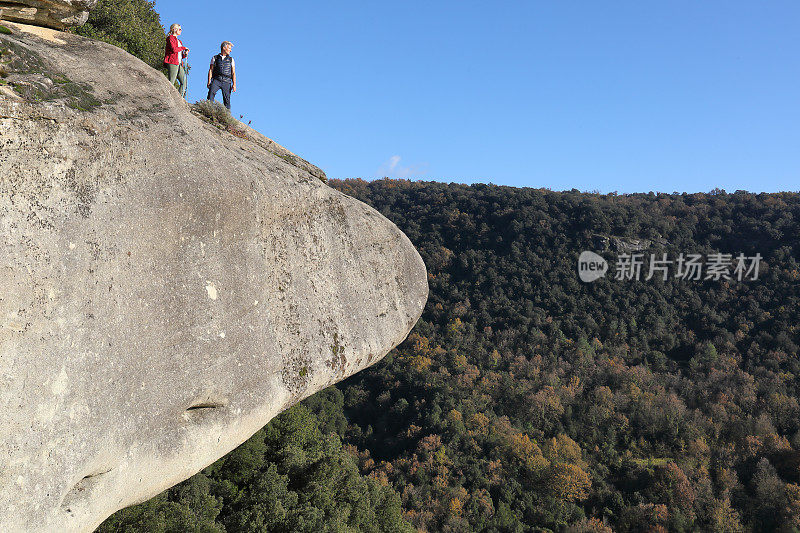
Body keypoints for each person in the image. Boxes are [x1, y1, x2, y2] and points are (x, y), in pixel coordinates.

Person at [207, 41, 236, 110]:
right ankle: (208, 110)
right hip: (216, 79)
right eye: (229, 48)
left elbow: (233, 73)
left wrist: (234, 84)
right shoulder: (215, 58)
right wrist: (209, 81)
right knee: (211, 94)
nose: (230, 50)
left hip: (227, 81)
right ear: (224, 48)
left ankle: (227, 116)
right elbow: (210, 70)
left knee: (227, 100)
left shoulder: (231, 59)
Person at [164, 23, 189, 99]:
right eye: (180, 29)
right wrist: (183, 47)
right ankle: (167, 96)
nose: (181, 31)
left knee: (184, 82)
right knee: (172, 81)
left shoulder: (179, 41)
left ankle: (178, 99)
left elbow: (180, 55)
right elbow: (174, 49)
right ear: (175, 29)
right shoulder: (170, 38)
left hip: (178, 63)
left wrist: (185, 54)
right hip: (172, 62)